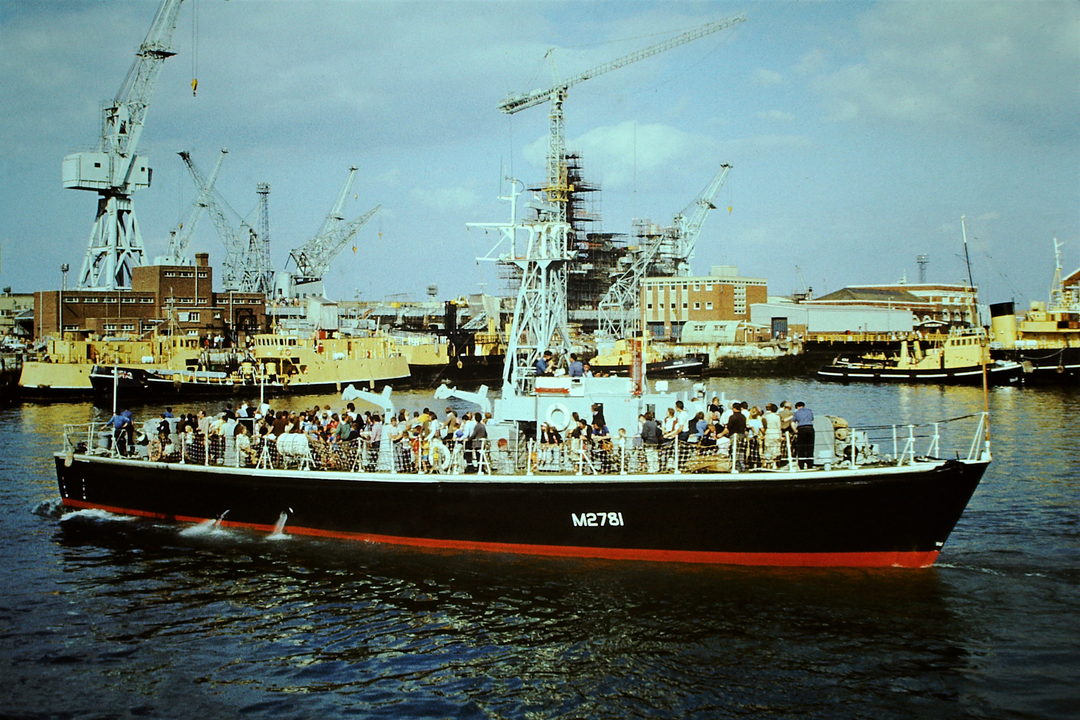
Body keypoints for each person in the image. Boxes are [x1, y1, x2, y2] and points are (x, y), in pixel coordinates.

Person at [793, 401, 815, 469]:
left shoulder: (796, 413)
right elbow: (812, 419)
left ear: (797, 407)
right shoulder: (809, 411)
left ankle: (801, 465)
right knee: (810, 447)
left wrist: (795, 431)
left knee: (801, 447)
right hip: (810, 428)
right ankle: (810, 464)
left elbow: (792, 422)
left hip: (801, 429)